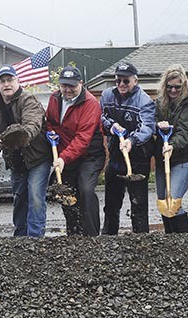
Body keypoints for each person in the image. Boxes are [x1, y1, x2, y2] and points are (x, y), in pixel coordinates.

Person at [0, 65, 51, 237]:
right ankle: (20, 238)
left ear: (17, 81)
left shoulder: (28, 100)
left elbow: (33, 124)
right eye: (3, 81)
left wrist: (23, 136)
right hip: (15, 160)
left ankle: (35, 238)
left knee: (36, 197)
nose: (7, 84)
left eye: (10, 80)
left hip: (37, 157)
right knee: (19, 199)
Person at [46, 65, 106, 236]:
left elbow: (83, 138)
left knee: (86, 190)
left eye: (72, 86)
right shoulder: (54, 99)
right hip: (66, 156)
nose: (68, 89)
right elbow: (50, 121)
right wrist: (51, 134)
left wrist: (63, 158)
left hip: (90, 156)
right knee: (67, 193)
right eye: (64, 85)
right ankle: (73, 234)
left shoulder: (90, 104)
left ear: (81, 83)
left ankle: (91, 236)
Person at [100, 62, 155, 234]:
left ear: (135, 80)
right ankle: (109, 239)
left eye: (126, 81)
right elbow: (101, 116)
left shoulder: (144, 101)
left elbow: (147, 127)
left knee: (138, 204)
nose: (122, 85)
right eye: (118, 80)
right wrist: (111, 126)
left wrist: (131, 140)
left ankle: (141, 240)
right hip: (116, 155)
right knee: (111, 204)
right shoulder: (107, 95)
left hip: (138, 156)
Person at [154, 64, 188, 233]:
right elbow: (151, 121)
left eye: (177, 87)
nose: (173, 90)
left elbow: (185, 132)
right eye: (169, 86)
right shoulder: (159, 103)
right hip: (162, 159)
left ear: (184, 86)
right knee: (163, 201)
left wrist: (172, 145)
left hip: (183, 159)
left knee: (173, 200)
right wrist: (157, 124)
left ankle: (182, 241)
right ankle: (170, 241)